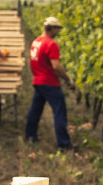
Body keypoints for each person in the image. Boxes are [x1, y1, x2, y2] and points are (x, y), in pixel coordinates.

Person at [24, 16, 73, 150]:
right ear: (51, 29)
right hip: (49, 82)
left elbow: (31, 62)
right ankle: (64, 143)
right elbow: (56, 66)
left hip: (38, 80)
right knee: (59, 111)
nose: (58, 32)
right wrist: (67, 78)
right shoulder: (51, 44)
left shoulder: (36, 42)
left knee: (36, 109)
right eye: (57, 29)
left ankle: (30, 136)